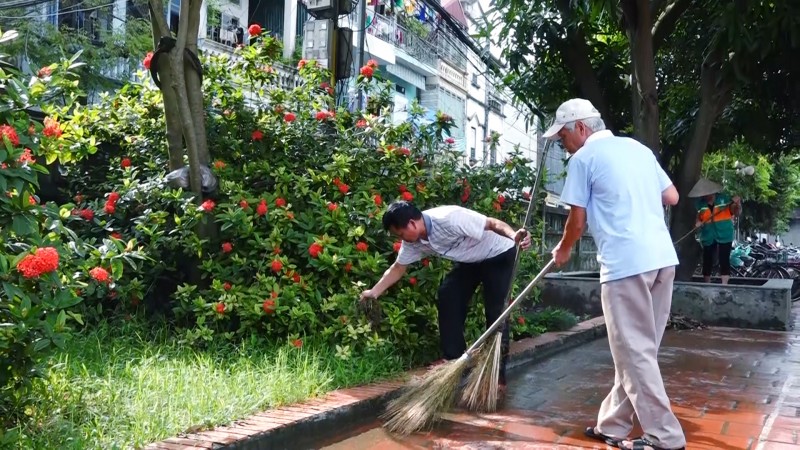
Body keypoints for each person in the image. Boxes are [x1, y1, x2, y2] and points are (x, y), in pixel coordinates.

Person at [544, 98, 686, 450]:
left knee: (633, 352)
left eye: (563, 137)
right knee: (641, 351)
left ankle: (665, 437)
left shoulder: (583, 159)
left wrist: (563, 250)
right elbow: (672, 196)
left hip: (625, 265)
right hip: (662, 260)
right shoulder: (638, 149)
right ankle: (613, 424)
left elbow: (576, 220)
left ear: (580, 127)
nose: (564, 145)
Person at [359, 201, 530, 396]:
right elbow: (398, 267)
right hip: (470, 261)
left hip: (499, 254)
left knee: (496, 312)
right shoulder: (413, 242)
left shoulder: (450, 218)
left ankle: (497, 375)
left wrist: (513, 236)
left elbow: (492, 223)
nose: (401, 239)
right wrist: (374, 292)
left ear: (412, 224)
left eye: (400, 234)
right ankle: (454, 358)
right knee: (448, 294)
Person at [689, 178, 741, 284]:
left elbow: (736, 212)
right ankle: (707, 283)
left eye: (707, 194)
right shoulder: (700, 204)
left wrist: (738, 204)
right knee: (707, 259)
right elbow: (698, 218)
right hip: (708, 235)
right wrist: (698, 222)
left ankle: (724, 284)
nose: (706, 196)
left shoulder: (725, 199)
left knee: (724, 258)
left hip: (725, 233)